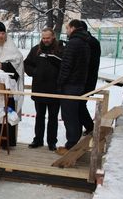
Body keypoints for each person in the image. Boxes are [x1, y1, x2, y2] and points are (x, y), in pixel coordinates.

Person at [24, 28, 64, 151]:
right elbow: (27, 64)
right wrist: (35, 72)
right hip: (39, 88)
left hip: (55, 90)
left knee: (53, 118)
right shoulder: (36, 50)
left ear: (53, 37)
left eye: (48, 38)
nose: (46, 40)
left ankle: (52, 142)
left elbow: (65, 66)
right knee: (39, 116)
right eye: (44, 38)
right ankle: (38, 139)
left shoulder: (60, 50)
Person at [56, 19, 91, 155]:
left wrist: (60, 83)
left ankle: (71, 146)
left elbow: (66, 66)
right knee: (74, 115)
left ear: (73, 28)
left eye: (67, 28)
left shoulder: (73, 43)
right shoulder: (85, 42)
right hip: (79, 83)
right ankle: (73, 143)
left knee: (69, 116)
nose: (66, 31)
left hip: (70, 85)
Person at [79, 20, 101, 136]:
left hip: (86, 81)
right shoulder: (90, 41)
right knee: (80, 105)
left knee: (80, 105)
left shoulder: (90, 43)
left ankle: (90, 127)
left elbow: (87, 63)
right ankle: (88, 126)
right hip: (85, 80)